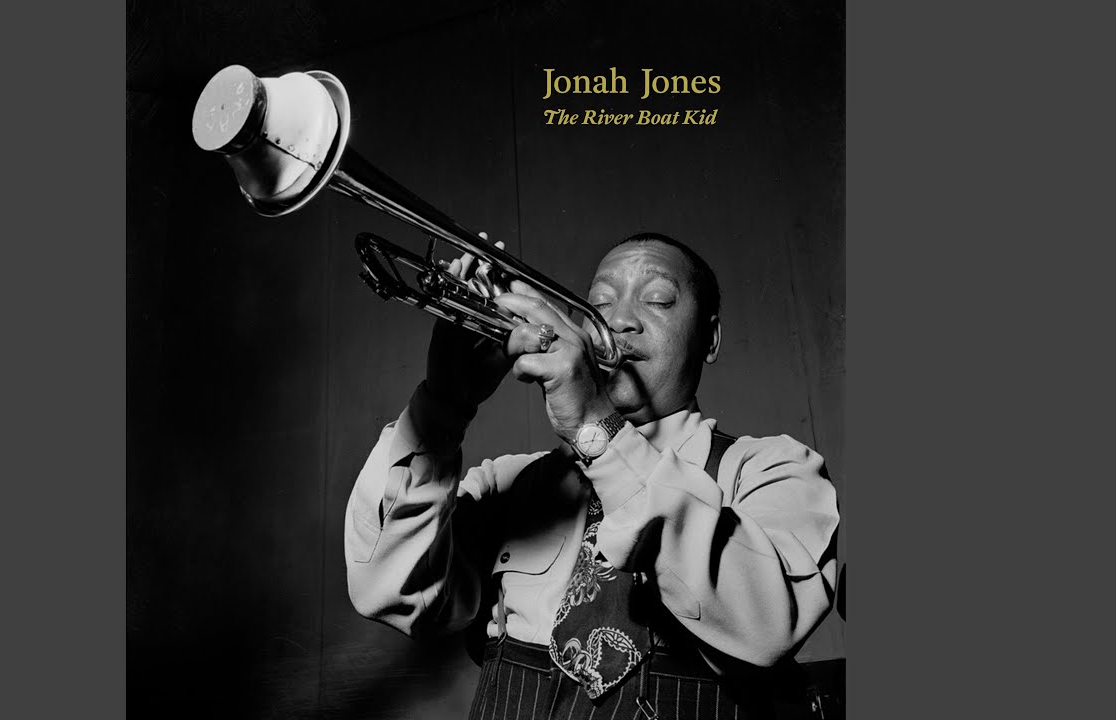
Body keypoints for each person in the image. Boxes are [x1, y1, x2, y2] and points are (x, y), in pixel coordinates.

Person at [344, 232, 839, 719]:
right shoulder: (510, 483)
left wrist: (595, 428)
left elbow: (766, 627)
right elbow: (388, 591)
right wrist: (444, 404)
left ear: (709, 338)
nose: (618, 320)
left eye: (658, 300)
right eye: (599, 302)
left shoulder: (771, 469)